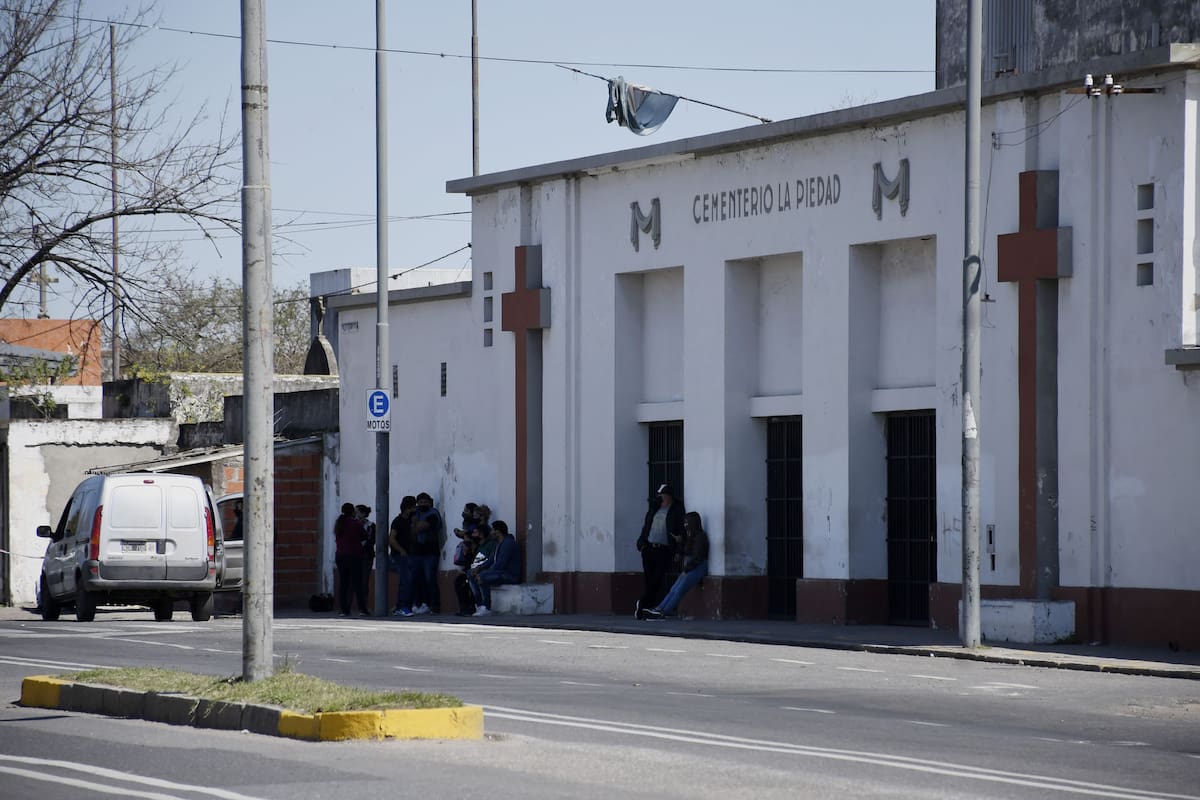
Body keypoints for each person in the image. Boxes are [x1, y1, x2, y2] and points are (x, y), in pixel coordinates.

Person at [640, 511, 709, 620]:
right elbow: (687, 552)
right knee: (674, 588)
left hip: (697, 567)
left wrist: (687, 569)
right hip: (690, 567)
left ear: (693, 522)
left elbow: (697, 557)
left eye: (687, 522)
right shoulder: (692, 536)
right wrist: (681, 542)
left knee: (679, 589)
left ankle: (664, 612)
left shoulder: (700, 537)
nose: (685, 525)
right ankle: (659, 609)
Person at [635, 483, 685, 618]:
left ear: (668, 496)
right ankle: (646, 609)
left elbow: (681, 530)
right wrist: (641, 543)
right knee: (649, 579)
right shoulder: (654, 509)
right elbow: (646, 526)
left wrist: (678, 550)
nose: (660, 498)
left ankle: (643, 604)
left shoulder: (676, 510)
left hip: (664, 550)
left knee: (657, 579)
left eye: (662, 495)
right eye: (659, 496)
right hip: (649, 548)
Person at [469, 520, 520, 617]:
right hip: (500, 572)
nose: (491, 532)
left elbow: (501, 564)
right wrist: (479, 568)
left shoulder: (508, 543)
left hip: (510, 575)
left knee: (482, 577)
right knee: (470, 574)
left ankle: (486, 607)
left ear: (498, 532)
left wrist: (484, 572)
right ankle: (479, 605)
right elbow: (491, 560)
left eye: (492, 530)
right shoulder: (499, 544)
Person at [409, 492, 444, 615]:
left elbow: (419, 528)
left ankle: (434, 605)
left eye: (425, 502)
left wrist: (414, 524)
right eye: (420, 502)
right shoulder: (416, 513)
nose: (422, 504)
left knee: (430, 579)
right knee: (416, 579)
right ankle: (419, 603)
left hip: (430, 552)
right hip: (417, 551)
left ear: (429, 502)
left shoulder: (433, 514)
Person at [333, 502, 369, 617]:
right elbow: (364, 535)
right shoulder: (355, 524)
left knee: (344, 583)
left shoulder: (339, 523)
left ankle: (344, 609)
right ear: (352, 512)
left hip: (340, 556)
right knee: (357, 583)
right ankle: (362, 609)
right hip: (354, 556)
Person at [388, 495, 416, 616]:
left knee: (406, 581)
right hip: (400, 555)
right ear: (407, 508)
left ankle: (400, 606)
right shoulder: (398, 521)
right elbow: (392, 538)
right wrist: (401, 550)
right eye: (413, 507)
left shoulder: (410, 521)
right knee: (406, 581)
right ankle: (403, 607)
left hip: (408, 554)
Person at [356, 504, 376, 599]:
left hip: (366, 555)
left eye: (357, 512)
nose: (355, 515)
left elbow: (372, 540)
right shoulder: (353, 524)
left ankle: (363, 604)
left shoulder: (371, 526)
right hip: (355, 555)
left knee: (364, 580)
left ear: (363, 514)